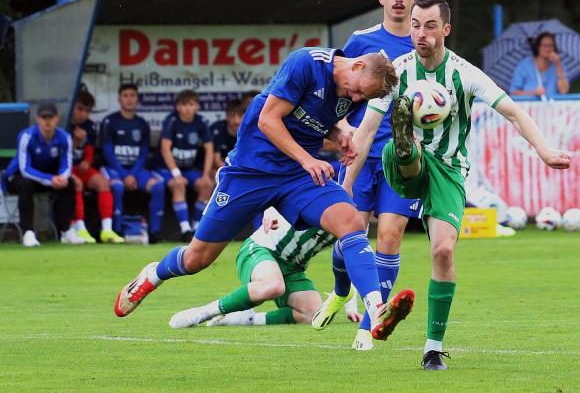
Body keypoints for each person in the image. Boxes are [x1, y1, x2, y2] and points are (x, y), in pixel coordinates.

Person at [113, 47, 415, 345]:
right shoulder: (306, 63)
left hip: (296, 178)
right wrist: (308, 159)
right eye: (359, 92)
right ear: (358, 65)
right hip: (251, 171)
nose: (356, 99)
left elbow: (315, 123)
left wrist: (338, 136)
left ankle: (376, 308)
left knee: (350, 220)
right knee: (196, 260)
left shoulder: (349, 91)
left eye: (364, 98)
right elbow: (268, 120)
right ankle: (153, 275)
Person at [345, 0, 571, 370]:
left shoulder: (464, 73)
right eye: (416, 26)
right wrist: (346, 184)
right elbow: (366, 131)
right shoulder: (396, 71)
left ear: (446, 29)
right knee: (404, 150)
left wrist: (544, 150)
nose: (421, 34)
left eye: (430, 27)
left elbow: (513, 112)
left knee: (443, 252)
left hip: (449, 170)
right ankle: (405, 142)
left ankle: (432, 349)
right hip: (403, 166)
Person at [341, 0, 422, 351]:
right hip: (360, 153)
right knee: (351, 234)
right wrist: (340, 128)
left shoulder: (424, 42)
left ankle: (370, 326)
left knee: (389, 237)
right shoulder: (361, 41)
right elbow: (339, 92)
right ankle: (344, 290)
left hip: (401, 159)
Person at [169, 208, 360, 328]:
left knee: (313, 314)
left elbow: (349, 262)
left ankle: (246, 319)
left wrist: (351, 306)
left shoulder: (357, 222)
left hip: (293, 267)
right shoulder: (327, 194)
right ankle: (203, 313)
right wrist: (269, 211)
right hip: (262, 248)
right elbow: (280, 191)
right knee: (273, 286)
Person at [1, 103, 75, 247]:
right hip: (16, 178)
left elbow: (67, 164)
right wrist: (50, 179)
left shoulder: (64, 137)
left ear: (57, 119)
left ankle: (65, 231)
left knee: (69, 183)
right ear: (38, 119)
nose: (47, 121)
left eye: (51, 117)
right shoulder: (26, 136)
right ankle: (28, 233)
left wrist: (62, 178)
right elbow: (25, 169)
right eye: (44, 117)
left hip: (48, 178)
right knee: (26, 184)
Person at [100, 84, 166, 243]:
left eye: (132, 95)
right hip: (114, 169)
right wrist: (124, 175)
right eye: (125, 95)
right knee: (117, 186)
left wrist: (132, 174)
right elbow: (107, 152)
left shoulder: (142, 123)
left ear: (137, 99)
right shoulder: (109, 121)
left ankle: (154, 232)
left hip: (135, 171)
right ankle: (116, 231)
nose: (129, 99)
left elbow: (144, 153)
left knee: (158, 186)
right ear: (119, 98)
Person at [155, 90, 214, 242]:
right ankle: (185, 229)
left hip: (188, 169)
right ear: (178, 107)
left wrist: (205, 175)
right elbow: (165, 148)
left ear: (197, 107)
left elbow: (209, 149)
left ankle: (196, 228)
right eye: (184, 104)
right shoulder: (171, 121)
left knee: (207, 185)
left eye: (191, 104)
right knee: (178, 184)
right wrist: (176, 173)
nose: (187, 108)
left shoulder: (201, 122)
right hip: (166, 169)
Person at [69, 89, 125, 244]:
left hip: (80, 168)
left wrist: (87, 161)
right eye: (80, 109)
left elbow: (89, 151)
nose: (83, 114)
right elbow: (61, 155)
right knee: (77, 184)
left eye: (87, 111)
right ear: (72, 106)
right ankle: (81, 229)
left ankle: (106, 230)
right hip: (65, 169)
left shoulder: (89, 126)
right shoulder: (64, 123)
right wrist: (75, 141)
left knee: (103, 182)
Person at [509, 32, 570, 99]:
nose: (548, 48)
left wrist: (558, 65)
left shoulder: (559, 66)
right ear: (537, 47)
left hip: (553, 107)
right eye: (544, 45)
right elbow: (513, 93)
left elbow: (564, 91)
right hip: (528, 107)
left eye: (551, 45)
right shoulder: (524, 66)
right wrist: (533, 93)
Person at [209, 98, 244, 176]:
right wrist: (233, 173)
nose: (236, 121)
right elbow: (216, 160)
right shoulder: (217, 129)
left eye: (240, 115)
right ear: (226, 116)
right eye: (232, 116)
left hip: (239, 169)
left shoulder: (248, 131)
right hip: (222, 169)